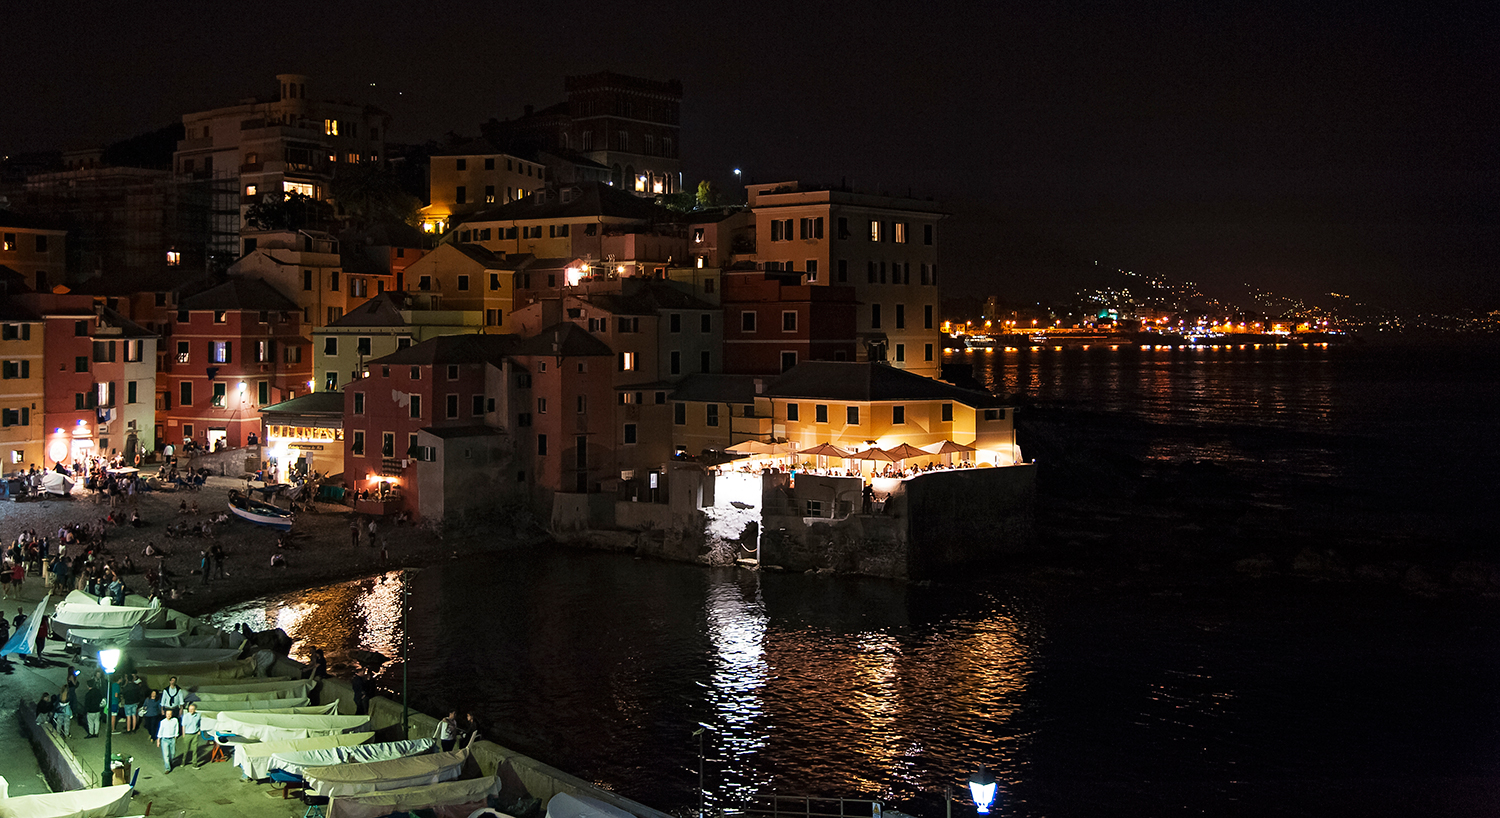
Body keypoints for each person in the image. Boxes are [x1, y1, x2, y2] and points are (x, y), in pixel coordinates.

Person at [156, 707, 180, 773]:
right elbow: (160, 731)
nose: (168, 715)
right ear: (165, 714)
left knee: (173, 753)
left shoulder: (175, 720)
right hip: (165, 740)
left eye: (170, 714)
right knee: (166, 754)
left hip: (172, 739)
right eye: (167, 714)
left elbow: (176, 728)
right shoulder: (163, 722)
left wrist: (176, 736)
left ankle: (170, 762)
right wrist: (158, 740)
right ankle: (167, 768)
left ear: (172, 714)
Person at [180, 703, 203, 767]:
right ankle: (183, 762)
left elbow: (199, 723)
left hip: (195, 734)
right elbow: (183, 725)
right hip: (188, 734)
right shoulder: (186, 716)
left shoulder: (198, 715)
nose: (191, 710)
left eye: (192, 709)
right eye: (190, 709)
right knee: (186, 749)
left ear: (195, 709)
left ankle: (194, 764)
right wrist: (183, 734)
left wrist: (199, 730)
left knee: (195, 750)